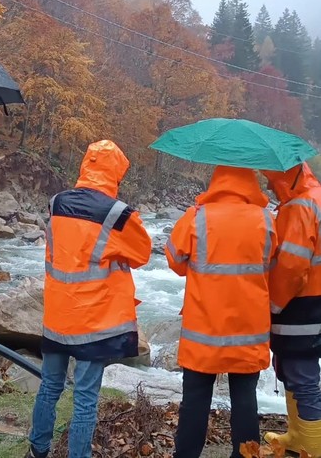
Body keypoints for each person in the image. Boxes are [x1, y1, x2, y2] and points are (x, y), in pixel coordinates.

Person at [25, 140, 152, 458]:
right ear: (116, 173)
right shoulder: (116, 214)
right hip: (93, 321)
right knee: (85, 397)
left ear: (86, 166)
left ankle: (38, 449)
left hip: (57, 314)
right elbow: (142, 253)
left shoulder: (56, 203)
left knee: (50, 386)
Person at [165, 166, 277, 458]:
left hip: (203, 330)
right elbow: (271, 266)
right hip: (248, 330)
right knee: (244, 400)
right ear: (250, 182)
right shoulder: (266, 219)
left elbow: (175, 262)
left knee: (195, 401)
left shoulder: (198, 216)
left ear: (217, 181)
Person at [262, 163, 321, 456]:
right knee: (292, 364)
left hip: (300, 301)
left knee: (300, 370)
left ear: (286, 176)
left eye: (272, 180)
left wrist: (273, 305)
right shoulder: (316, 197)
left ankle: (311, 445)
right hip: (313, 298)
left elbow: (292, 267)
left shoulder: (299, 206)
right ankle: (298, 435)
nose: (270, 186)